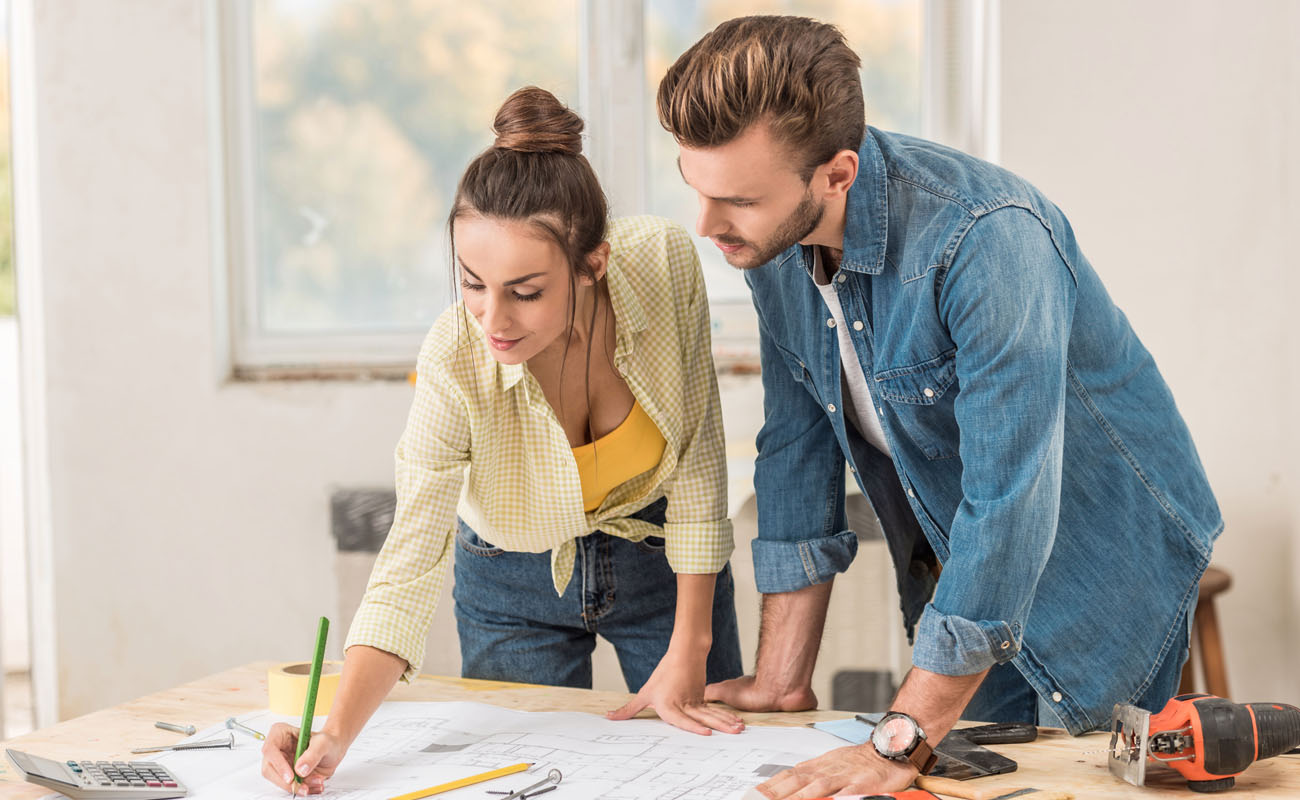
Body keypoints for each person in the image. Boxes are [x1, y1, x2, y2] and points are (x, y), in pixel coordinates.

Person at [656, 16, 1222, 798]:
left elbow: (1010, 498)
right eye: (699, 188)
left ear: (836, 174)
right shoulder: (773, 245)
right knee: (960, 779)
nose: (708, 225)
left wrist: (897, 741)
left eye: (738, 200)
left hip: (1103, 552)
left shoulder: (986, 238)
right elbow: (796, 447)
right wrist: (780, 679)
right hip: (968, 561)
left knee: (1073, 782)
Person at [260, 86, 744, 795]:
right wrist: (332, 733)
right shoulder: (454, 359)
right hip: (510, 582)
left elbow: (700, 455)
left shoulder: (663, 264)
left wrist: (693, 642)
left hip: (663, 563)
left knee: (711, 770)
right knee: (530, 780)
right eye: (472, 283)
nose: (493, 317)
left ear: (593, 264)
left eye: (525, 290)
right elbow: (410, 562)